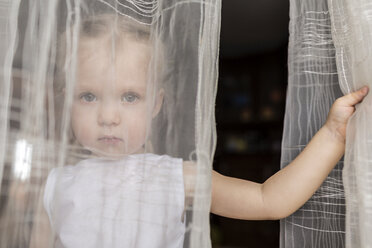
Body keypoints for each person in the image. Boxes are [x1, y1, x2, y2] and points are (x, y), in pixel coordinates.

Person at [30, 14, 369, 247]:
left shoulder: (176, 177)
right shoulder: (53, 185)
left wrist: (331, 137)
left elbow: (269, 201)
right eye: (88, 96)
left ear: (156, 105)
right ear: (65, 102)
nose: (108, 116)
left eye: (129, 96)